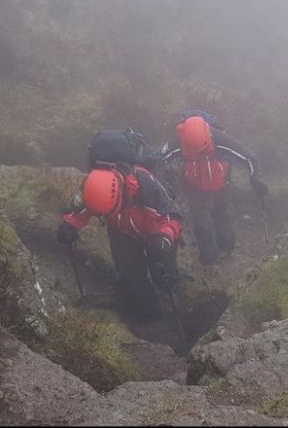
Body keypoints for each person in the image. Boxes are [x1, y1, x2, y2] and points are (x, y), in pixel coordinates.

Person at [57, 129, 184, 321]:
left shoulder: (144, 182)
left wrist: (164, 237)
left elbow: (171, 215)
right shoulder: (92, 185)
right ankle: (149, 317)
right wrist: (70, 225)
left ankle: (171, 293)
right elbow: (81, 210)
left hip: (155, 231)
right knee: (131, 276)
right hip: (121, 232)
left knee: (163, 271)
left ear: (122, 197)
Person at [159, 113, 268, 266]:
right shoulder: (178, 142)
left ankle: (226, 248)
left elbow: (249, 157)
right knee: (201, 221)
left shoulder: (220, 139)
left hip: (220, 182)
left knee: (221, 214)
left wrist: (256, 178)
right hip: (193, 184)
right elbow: (159, 160)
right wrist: (165, 178)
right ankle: (209, 262)